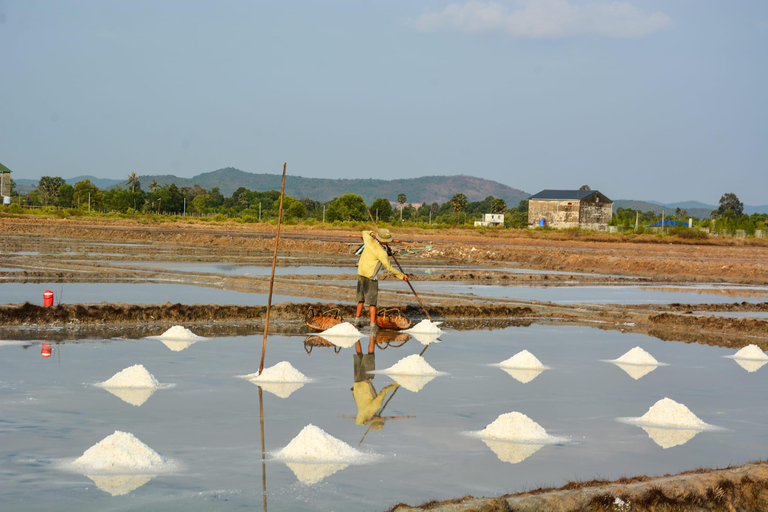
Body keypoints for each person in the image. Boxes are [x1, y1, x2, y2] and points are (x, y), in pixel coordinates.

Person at [354, 228, 409, 328]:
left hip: (361, 273)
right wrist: (402, 276)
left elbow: (364, 232)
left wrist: (372, 234)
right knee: (372, 303)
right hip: (371, 277)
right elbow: (389, 268)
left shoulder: (368, 241)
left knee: (361, 300)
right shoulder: (382, 253)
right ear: (385, 241)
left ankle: (356, 320)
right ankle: (372, 325)